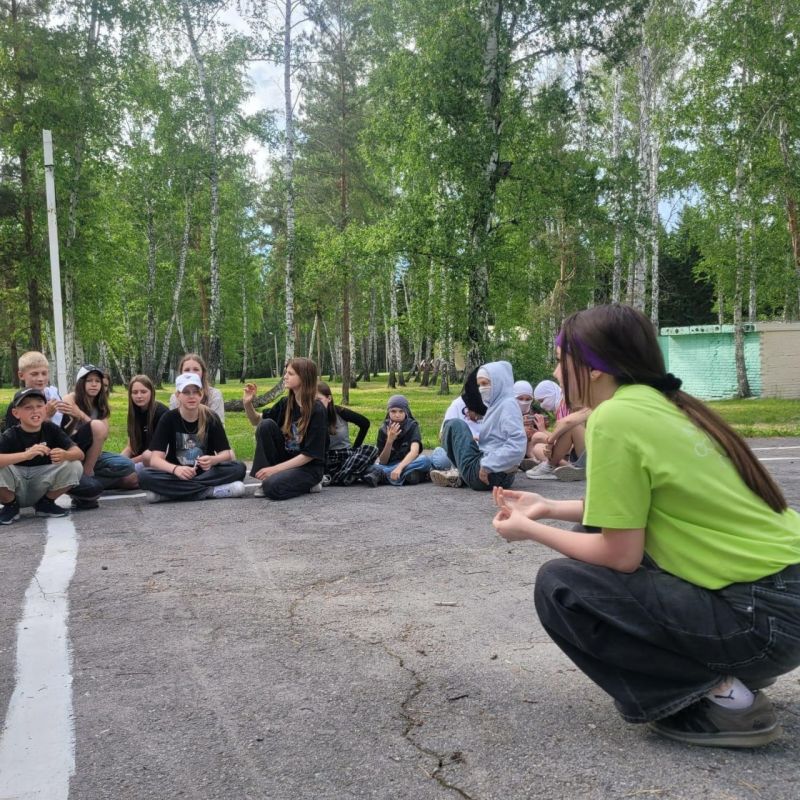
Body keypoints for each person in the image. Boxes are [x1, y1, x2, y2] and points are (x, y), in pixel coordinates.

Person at [492, 303, 800, 749]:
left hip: (761, 620)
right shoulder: (669, 406)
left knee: (562, 586)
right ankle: (730, 673)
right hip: (782, 608)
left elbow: (621, 554)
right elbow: (641, 508)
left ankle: (722, 698)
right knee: (587, 538)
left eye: (561, 359)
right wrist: (546, 507)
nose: (555, 371)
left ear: (594, 368)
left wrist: (529, 530)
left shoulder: (615, 419)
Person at [138, 373, 246, 502]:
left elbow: (226, 454)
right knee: (144, 475)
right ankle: (211, 491)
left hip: (207, 473)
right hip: (177, 474)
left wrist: (213, 460)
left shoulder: (211, 417)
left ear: (201, 395)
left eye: (195, 392)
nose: (191, 396)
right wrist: (176, 469)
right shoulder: (168, 418)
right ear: (178, 395)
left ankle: (171, 493)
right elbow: (155, 459)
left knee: (239, 468)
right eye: (186, 392)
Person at [433, 361, 526, 491]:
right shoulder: (498, 404)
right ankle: (459, 474)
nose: (481, 389)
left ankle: (458, 472)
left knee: (454, 425)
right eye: (479, 385)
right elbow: (499, 440)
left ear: (498, 382)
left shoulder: (507, 405)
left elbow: (518, 444)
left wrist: (488, 465)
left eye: (485, 383)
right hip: (501, 476)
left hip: (488, 474)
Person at [244, 358, 328, 501]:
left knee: (273, 488)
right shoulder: (286, 403)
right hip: (287, 459)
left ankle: (310, 483)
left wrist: (274, 470)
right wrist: (247, 404)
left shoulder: (317, 410)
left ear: (304, 377)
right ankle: (267, 481)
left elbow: (309, 455)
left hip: (309, 467)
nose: (285, 376)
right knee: (266, 425)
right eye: (286, 372)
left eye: (291, 373)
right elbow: (256, 421)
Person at [0, 388, 84, 523]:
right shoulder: (11, 434)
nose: (35, 411)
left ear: (46, 409)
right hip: (15, 485)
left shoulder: (50, 429)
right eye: (28, 407)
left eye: (39, 406)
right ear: (16, 413)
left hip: (41, 483)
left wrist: (65, 455)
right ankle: (10, 506)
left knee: (75, 465)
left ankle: (46, 504)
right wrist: (25, 455)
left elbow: (79, 454)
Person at [58, 364, 135, 505]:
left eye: (98, 381)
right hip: (74, 451)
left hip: (94, 454)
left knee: (128, 465)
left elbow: (104, 434)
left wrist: (81, 415)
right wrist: (93, 424)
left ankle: (83, 483)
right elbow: (70, 432)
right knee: (97, 425)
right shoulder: (70, 398)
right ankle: (86, 476)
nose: (94, 385)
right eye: (89, 381)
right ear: (81, 382)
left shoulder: (101, 404)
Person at [429, 367, 486, 486]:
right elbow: (443, 435)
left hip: (483, 450)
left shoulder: (496, 405)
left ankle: (456, 474)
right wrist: (466, 440)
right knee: (441, 458)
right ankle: (458, 472)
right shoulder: (457, 404)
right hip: (462, 450)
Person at [317, 382, 379, 487]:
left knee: (370, 449)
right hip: (327, 461)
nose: (316, 404)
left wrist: (355, 448)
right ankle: (346, 476)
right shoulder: (311, 417)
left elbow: (365, 423)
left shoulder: (340, 412)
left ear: (329, 398)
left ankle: (336, 478)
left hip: (347, 458)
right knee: (369, 469)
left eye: (319, 400)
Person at [525, 379, 587, 480]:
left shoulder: (574, 404)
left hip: (583, 452)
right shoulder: (561, 407)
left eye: (563, 388)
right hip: (577, 453)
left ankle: (554, 465)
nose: (562, 391)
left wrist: (544, 433)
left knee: (539, 436)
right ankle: (569, 468)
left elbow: (568, 432)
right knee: (538, 447)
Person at [366, 395, 431, 486]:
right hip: (389, 465)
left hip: (409, 462)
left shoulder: (412, 426)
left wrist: (399, 468)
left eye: (401, 411)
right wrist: (389, 441)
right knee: (369, 467)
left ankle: (382, 475)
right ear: (388, 412)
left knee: (425, 460)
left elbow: (415, 452)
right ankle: (409, 477)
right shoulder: (383, 429)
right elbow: (383, 461)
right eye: (393, 411)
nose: (397, 415)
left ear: (406, 411)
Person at [120, 375, 169, 482]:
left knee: (126, 479)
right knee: (113, 468)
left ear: (151, 392)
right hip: (138, 459)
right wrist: (119, 461)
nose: (139, 396)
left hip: (155, 459)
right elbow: (130, 447)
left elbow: (155, 451)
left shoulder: (162, 413)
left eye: (143, 391)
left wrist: (129, 463)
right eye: (135, 392)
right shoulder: (134, 413)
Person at [2, 350, 63, 431]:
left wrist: (74, 418)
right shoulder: (17, 404)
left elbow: (64, 434)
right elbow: (14, 439)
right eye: (34, 374)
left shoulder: (54, 397)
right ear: (21, 375)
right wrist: (47, 415)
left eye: (44, 373)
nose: (40, 379)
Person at [168, 353, 225, 421]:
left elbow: (218, 424)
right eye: (187, 370)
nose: (191, 373)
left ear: (202, 372)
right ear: (181, 373)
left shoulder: (214, 395)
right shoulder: (175, 398)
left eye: (196, 369)